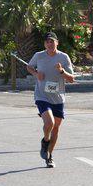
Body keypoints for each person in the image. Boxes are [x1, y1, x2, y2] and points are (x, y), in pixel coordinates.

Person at [27, 32, 75, 168]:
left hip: (58, 97)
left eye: (52, 41)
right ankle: (45, 141)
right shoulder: (39, 56)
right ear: (44, 44)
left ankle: (49, 156)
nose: (50, 44)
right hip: (42, 96)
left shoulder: (63, 57)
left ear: (57, 43)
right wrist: (36, 74)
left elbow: (71, 79)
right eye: (47, 42)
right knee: (50, 123)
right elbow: (29, 66)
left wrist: (62, 71)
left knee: (56, 128)